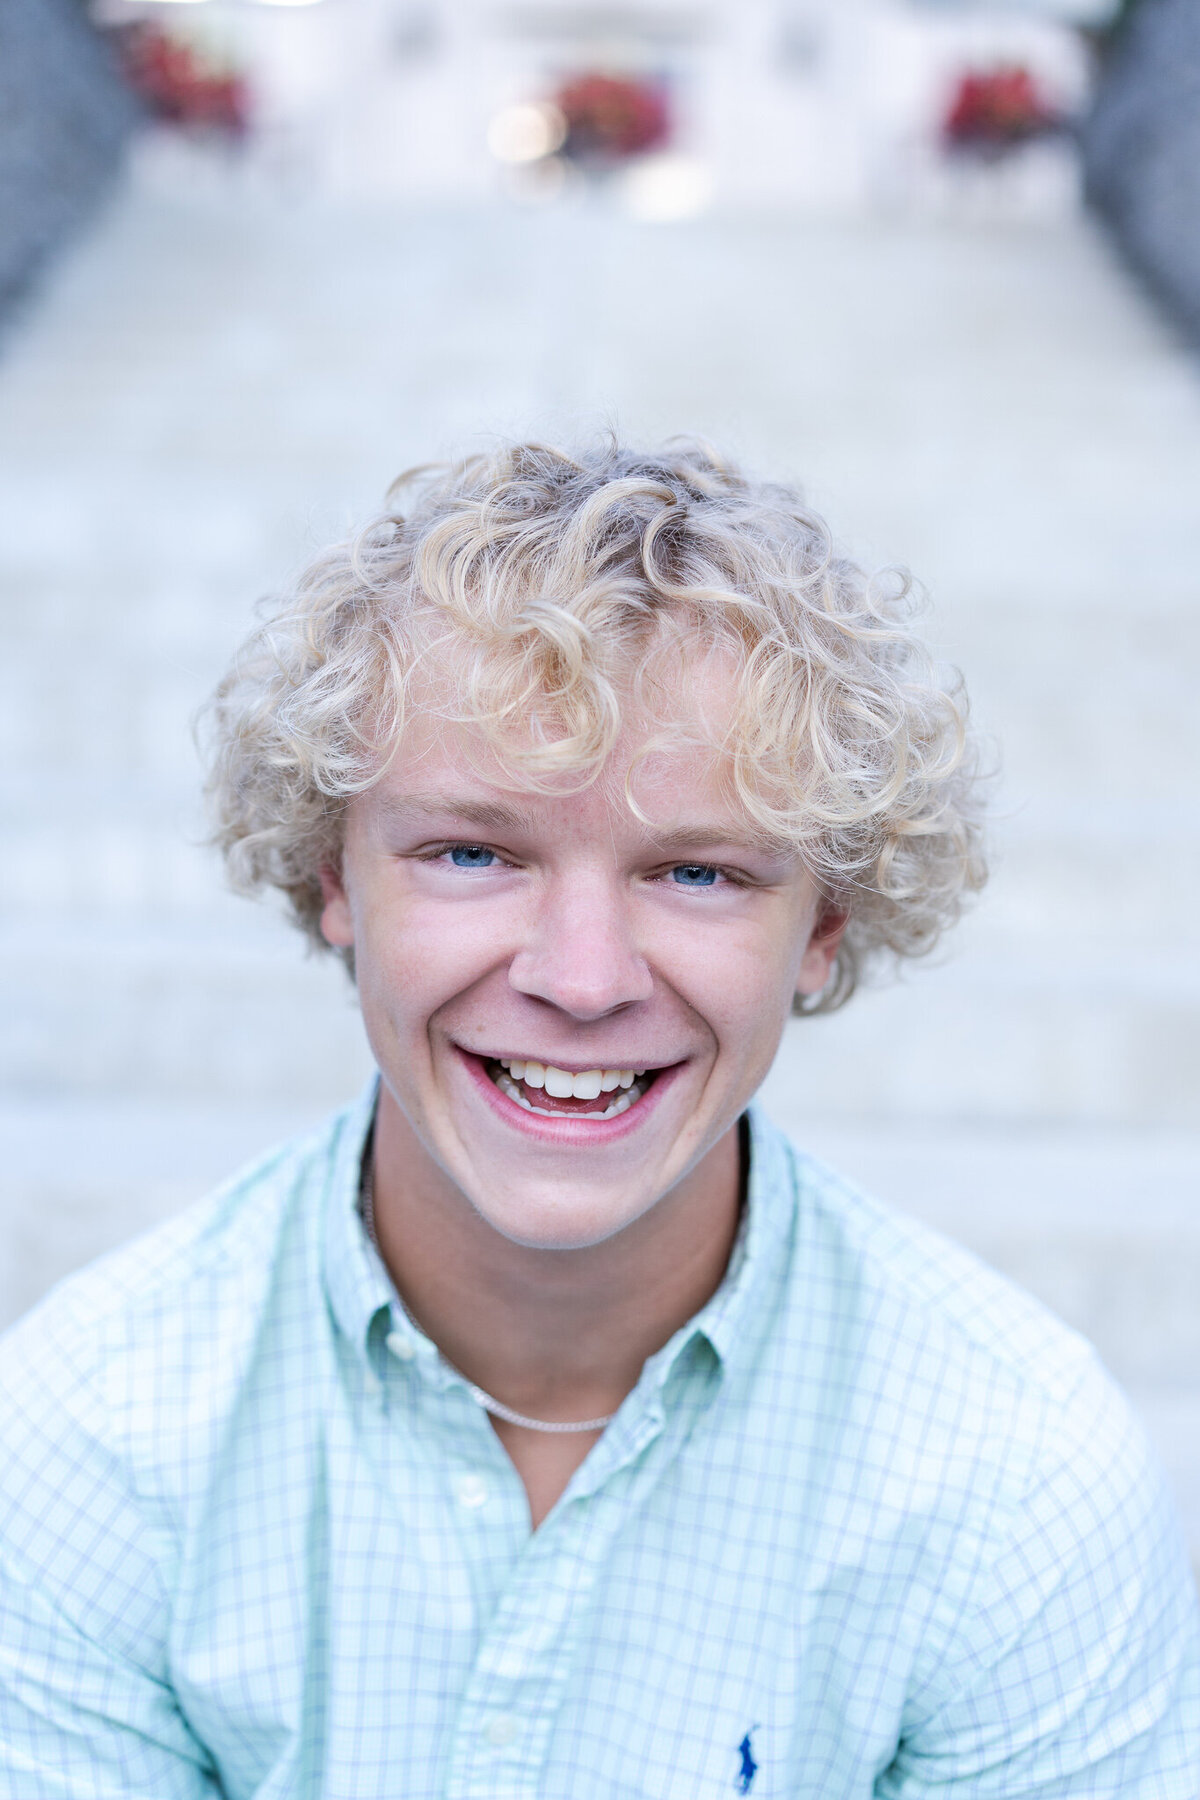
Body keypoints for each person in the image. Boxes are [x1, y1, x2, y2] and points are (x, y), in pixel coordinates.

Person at [1, 441, 1196, 1799]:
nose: (580, 979)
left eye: (697, 871)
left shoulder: (1020, 1481)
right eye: (473, 852)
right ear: (338, 879)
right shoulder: (84, 1438)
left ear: (826, 928)